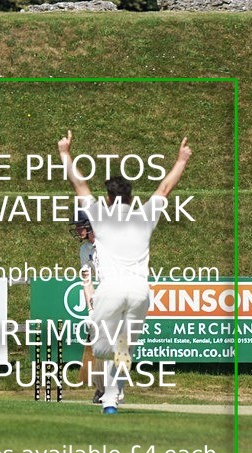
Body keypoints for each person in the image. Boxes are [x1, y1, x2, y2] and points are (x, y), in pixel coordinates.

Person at [58, 130, 192, 414]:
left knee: (102, 349)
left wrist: (65, 154)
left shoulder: (100, 216)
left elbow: (79, 185)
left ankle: (110, 393)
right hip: (140, 292)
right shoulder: (144, 215)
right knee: (124, 350)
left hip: (112, 289)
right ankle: (110, 399)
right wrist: (181, 160)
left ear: (108, 198)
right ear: (131, 198)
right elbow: (165, 188)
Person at [69, 211, 105, 404]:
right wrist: (90, 310)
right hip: (101, 300)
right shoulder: (84, 249)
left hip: (119, 295)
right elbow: (86, 280)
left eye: (80, 226)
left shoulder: (109, 244)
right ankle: (101, 389)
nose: (77, 230)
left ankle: (116, 389)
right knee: (99, 346)